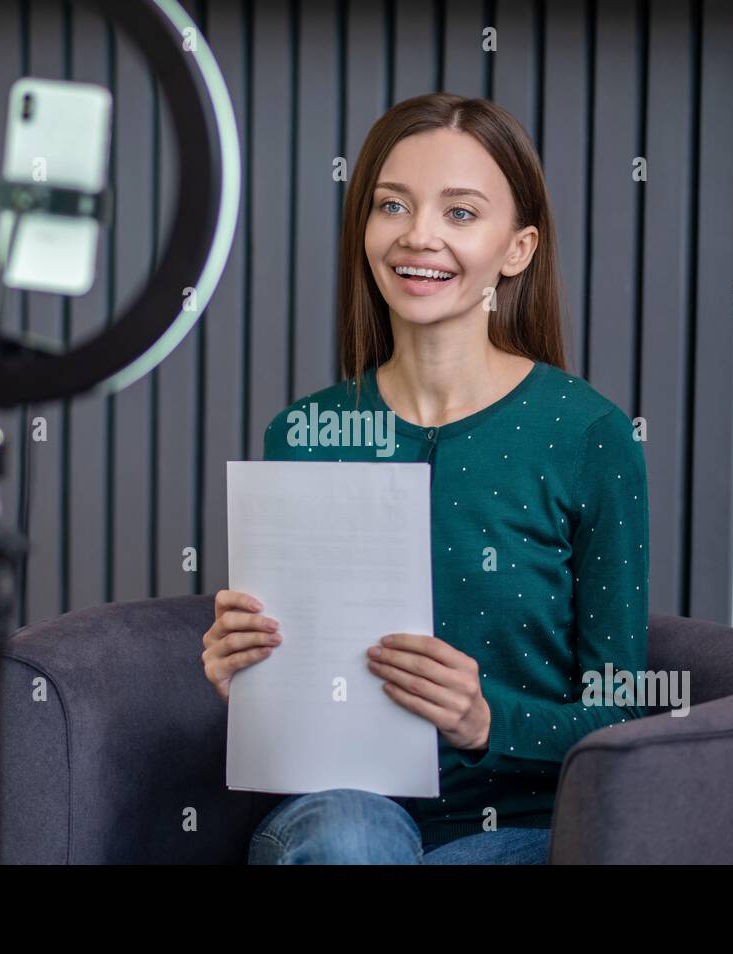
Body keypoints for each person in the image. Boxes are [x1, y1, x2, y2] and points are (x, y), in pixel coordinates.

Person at [202, 92, 650, 864]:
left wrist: (486, 718)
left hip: (524, 826)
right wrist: (244, 677)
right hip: (348, 810)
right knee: (347, 845)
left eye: (461, 213)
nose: (419, 236)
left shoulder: (589, 436)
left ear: (518, 249)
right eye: (392, 205)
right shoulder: (302, 434)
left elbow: (622, 713)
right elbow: (296, 696)